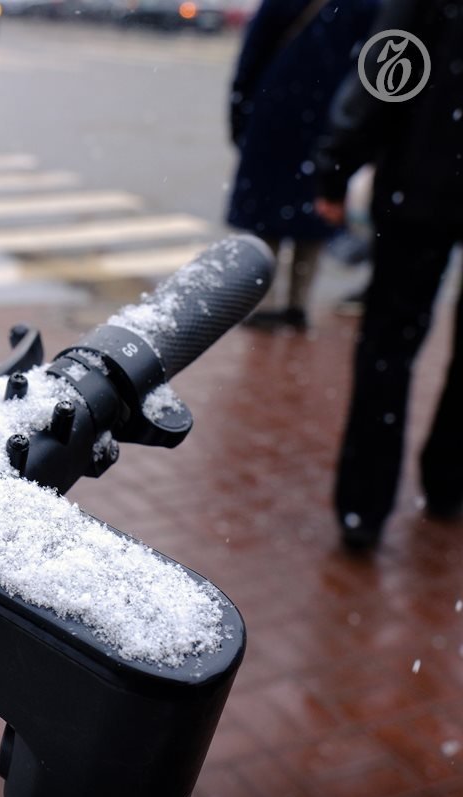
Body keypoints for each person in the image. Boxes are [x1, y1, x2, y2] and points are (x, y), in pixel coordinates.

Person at [314, 0, 463, 550]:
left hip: (421, 184)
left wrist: (336, 165)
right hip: (423, 180)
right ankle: (448, 481)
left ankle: (364, 508)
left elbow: (389, 71)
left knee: (387, 350)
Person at [226, 0, 378, 331]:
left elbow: (253, 54)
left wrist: (240, 114)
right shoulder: (365, 6)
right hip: (330, 118)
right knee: (314, 212)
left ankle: (266, 301)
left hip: (275, 112)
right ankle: (297, 303)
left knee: (267, 217)